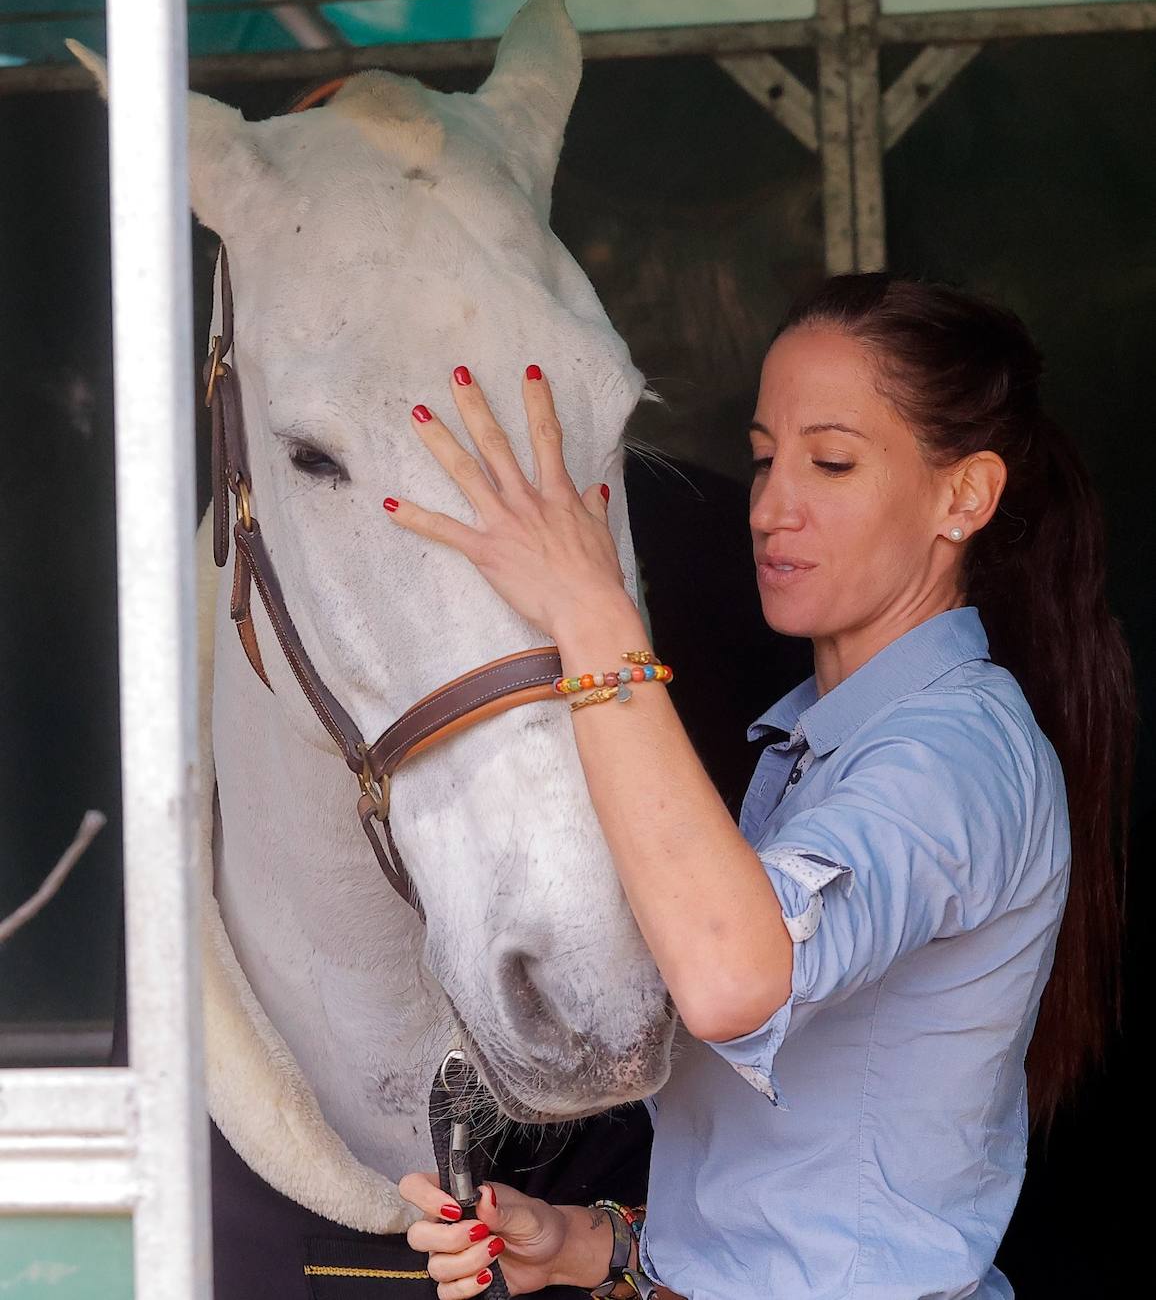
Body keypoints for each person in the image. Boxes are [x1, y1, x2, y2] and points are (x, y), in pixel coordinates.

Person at [382, 274, 1134, 1300]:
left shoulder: (954, 753)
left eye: (830, 462)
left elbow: (735, 982)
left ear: (964, 497)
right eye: (764, 459)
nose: (772, 507)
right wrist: (585, 1244)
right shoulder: (809, 745)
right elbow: (821, 1194)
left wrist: (593, 615)